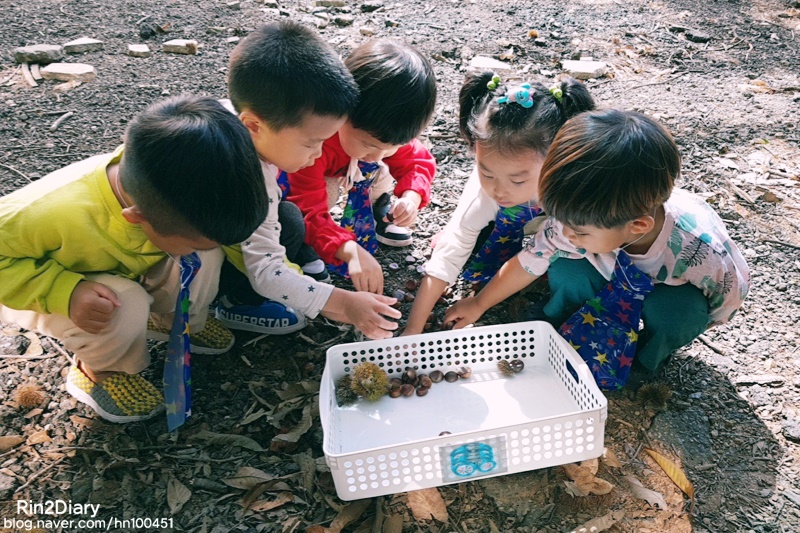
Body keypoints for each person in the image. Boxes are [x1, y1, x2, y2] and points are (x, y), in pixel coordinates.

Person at [0, 95, 269, 423]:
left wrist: (294, 283)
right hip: (53, 285)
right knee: (124, 302)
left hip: (127, 267)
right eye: (189, 240)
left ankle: (175, 321)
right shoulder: (47, 212)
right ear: (135, 217)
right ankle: (100, 369)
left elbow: (235, 248)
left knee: (204, 254)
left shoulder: (177, 191)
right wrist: (64, 291)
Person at [444, 109, 750, 376]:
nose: (566, 233)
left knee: (680, 315)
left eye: (577, 231)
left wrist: (702, 323)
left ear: (638, 225)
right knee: (567, 270)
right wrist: (478, 302)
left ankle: (647, 359)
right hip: (604, 265)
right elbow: (529, 260)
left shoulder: (697, 247)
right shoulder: (580, 219)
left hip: (665, 290)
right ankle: (557, 321)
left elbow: (729, 293)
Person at [218, 22, 401, 339]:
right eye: (310, 144)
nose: (319, 156)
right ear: (253, 125)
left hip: (225, 230)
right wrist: (342, 304)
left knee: (287, 218)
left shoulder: (247, 129)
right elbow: (265, 270)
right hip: (178, 261)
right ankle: (231, 302)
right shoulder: (247, 177)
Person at [403, 72, 595, 335]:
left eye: (517, 181)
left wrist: (481, 303)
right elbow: (454, 248)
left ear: (556, 161)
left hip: (556, 233)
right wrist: (412, 329)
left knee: (567, 266)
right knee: (463, 240)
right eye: (486, 173)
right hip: (511, 227)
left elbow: (540, 254)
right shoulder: (484, 195)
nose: (498, 190)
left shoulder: (574, 192)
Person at [286, 39, 437, 295]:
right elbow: (306, 207)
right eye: (369, 143)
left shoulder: (378, 137)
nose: (379, 154)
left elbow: (417, 161)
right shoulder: (313, 146)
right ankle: (302, 247)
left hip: (350, 172)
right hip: (298, 191)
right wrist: (346, 249)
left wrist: (411, 197)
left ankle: (380, 212)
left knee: (380, 168)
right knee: (325, 193)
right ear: (343, 113)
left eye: (392, 145)